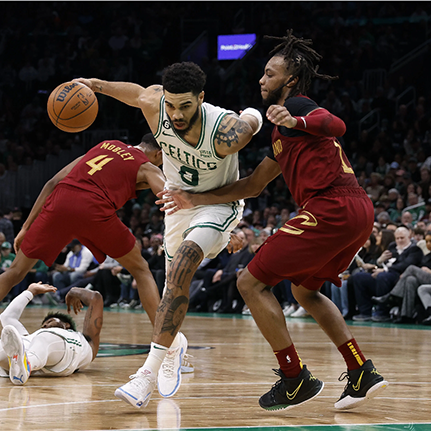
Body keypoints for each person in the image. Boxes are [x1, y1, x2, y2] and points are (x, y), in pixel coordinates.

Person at [160, 31, 387, 411]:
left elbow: (337, 125)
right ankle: (361, 371)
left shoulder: (299, 107)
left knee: (249, 281)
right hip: (357, 210)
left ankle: (294, 376)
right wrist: (194, 198)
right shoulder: (283, 135)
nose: (261, 80)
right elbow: (252, 185)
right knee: (304, 292)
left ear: (290, 80)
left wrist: (296, 117)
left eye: (269, 74)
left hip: (331, 206)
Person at [75, 60, 261, 408]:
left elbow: (251, 124)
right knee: (170, 287)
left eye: (186, 106)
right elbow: (137, 94)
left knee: (183, 265)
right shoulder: (157, 106)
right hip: (178, 205)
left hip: (218, 204)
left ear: (201, 98)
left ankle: (147, 373)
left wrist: (251, 113)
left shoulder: (224, 131)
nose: (175, 114)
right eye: (171, 105)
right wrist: (95, 83)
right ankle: (175, 347)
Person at [0, 135, 168, 361]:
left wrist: (25, 227)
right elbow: (169, 198)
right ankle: (166, 349)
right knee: (141, 271)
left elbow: (52, 182)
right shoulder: (148, 167)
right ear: (158, 153)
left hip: (61, 202)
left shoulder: (104, 145)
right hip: (94, 209)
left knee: (14, 272)